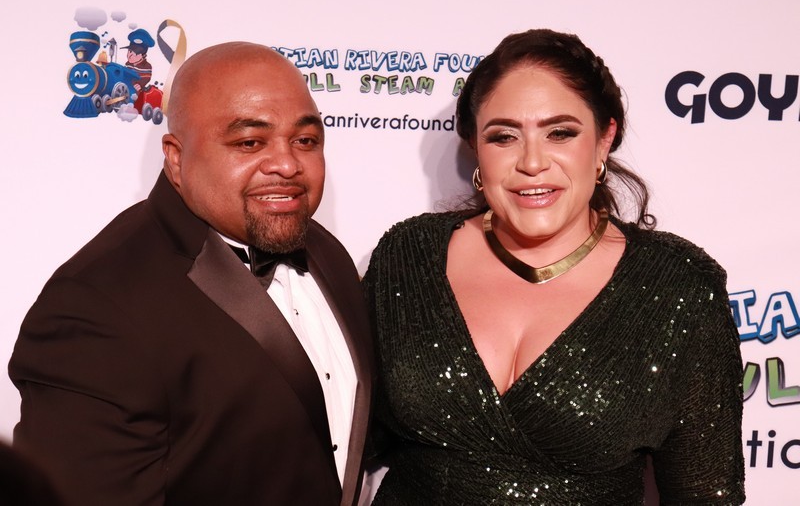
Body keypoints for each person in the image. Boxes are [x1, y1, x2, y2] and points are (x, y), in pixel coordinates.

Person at [362, 29, 745, 504]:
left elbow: (705, 494)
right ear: (475, 146)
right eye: (504, 137)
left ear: (604, 139)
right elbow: (344, 434)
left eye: (560, 133)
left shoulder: (678, 287)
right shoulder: (408, 256)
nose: (532, 162)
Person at [10, 42, 374, 505]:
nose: (287, 164)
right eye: (249, 143)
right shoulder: (93, 308)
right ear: (176, 158)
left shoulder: (325, 251)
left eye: (305, 141)